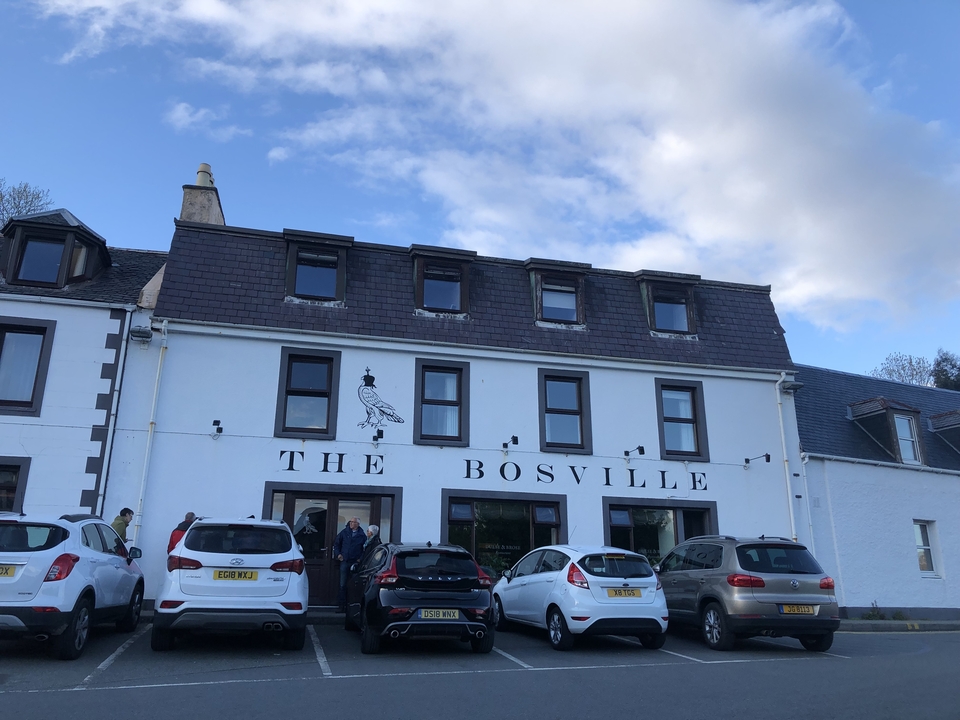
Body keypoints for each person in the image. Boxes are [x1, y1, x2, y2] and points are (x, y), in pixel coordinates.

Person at [333, 517, 366, 612]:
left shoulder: (362, 535)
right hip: (344, 561)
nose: (351, 523)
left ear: (358, 524)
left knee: (352, 585)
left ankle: (351, 607)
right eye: (351, 522)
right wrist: (338, 554)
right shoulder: (344, 532)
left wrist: (360, 559)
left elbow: (364, 549)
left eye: (354, 522)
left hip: (355, 563)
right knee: (342, 584)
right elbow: (336, 544)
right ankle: (341, 606)